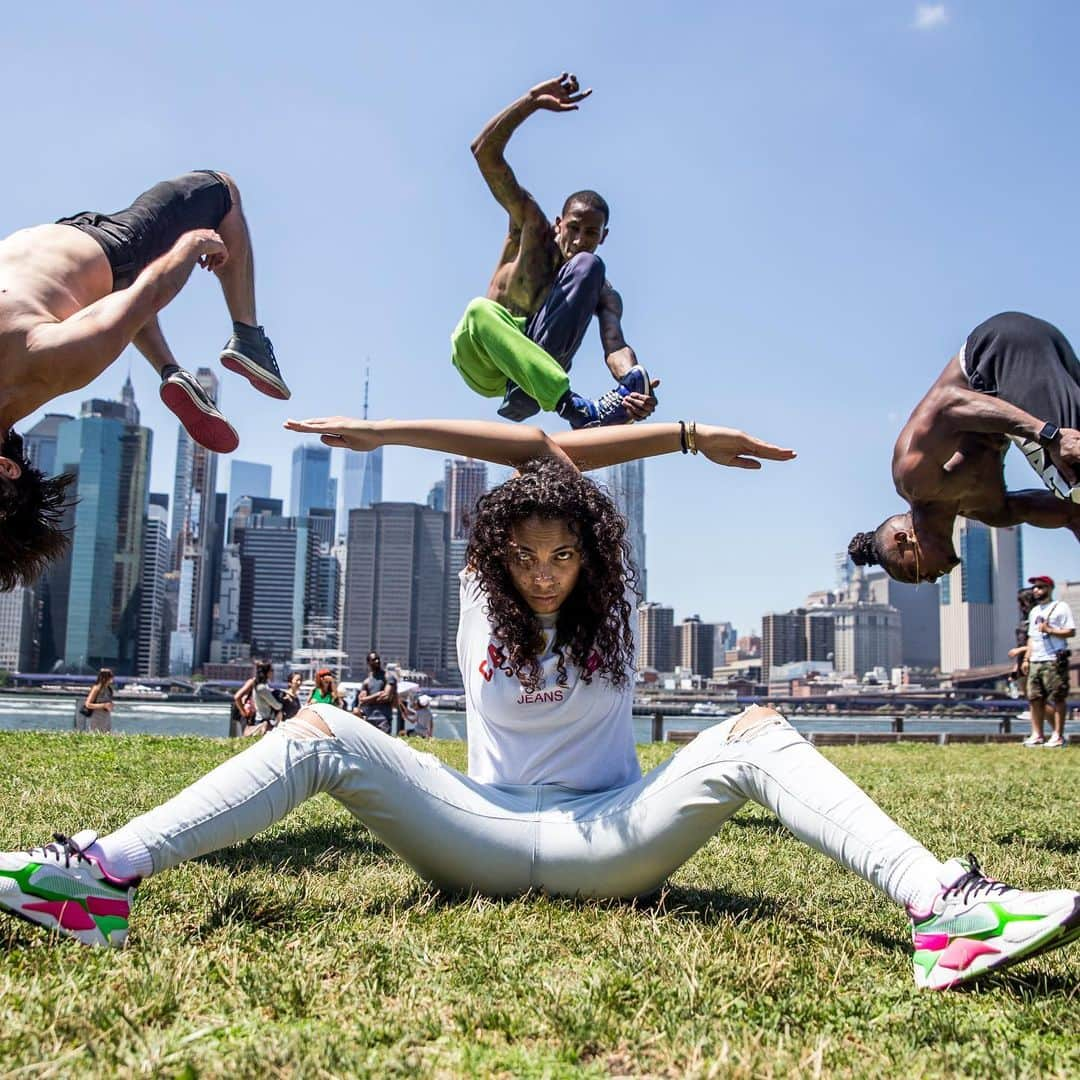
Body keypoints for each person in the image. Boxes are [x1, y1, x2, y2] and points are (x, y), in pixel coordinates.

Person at [1, 416, 1076, 994]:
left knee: (752, 733)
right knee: (324, 730)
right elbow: (521, 451)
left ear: (595, 553)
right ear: (494, 558)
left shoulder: (619, 591)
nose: (546, 574)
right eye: (527, 558)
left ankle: (947, 910)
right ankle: (98, 878)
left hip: (617, 837)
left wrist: (689, 436)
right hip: (476, 831)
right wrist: (389, 442)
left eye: (564, 554)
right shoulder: (481, 590)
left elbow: (562, 462)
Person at [0, 171, 291, 593]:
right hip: (111, 248)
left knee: (114, 304)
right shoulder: (48, 364)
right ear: (6, 468)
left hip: (79, 269)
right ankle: (247, 335)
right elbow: (146, 294)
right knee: (221, 190)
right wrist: (191, 247)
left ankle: (171, 371)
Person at [451, 73, 659, 430]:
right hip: (484, 360)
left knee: (590, 269)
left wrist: (633, 384)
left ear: (603, 236)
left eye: (590, 234)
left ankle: (536, 389)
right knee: (478, 311)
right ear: (559, 223)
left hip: (533, 375)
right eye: (573, 229)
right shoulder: (530, 225)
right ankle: (572, 408)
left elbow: (615, 345)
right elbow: (483, 153)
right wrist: (530, 101)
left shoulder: (601, 290)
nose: (579, 241)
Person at [847, 312, 1080, 583]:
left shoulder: (913, 478)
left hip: (993, 354)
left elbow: (947, 405)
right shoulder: (990, 509)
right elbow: (1070, 514)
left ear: (903, 539)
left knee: (1072, 476)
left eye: (915, 572)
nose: (932, 580)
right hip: (1025, 358)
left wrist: (1049, 436)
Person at [1019, 575, 1075, 748]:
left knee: (1057, 697)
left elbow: (1070, 632)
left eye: (1041, 587)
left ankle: (1058, 735)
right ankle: (1037, 735)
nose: (1036, 590)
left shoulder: (1060, 607)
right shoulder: (1034, 611)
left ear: (1050, 588)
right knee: (1034, 698)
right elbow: (1031, 638)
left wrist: (1049, 630)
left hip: (1053, 659)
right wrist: (1027, 658)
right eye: (1035, 587)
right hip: (1036, 659)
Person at [354, 653, 397, 735]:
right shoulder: (367, 681)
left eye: (378, 659)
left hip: (384, 719)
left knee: (384, 744)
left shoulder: (388, 677)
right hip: (369, 719)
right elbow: (361, 701)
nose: (377, 661)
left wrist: (368, 699)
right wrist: (377, 694)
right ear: (368, 663)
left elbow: (386, 697)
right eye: (374, 660)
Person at [244, 661, 283, 738]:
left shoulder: (258, 685)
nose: (273, 672)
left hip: (260, 720)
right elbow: (277, 706)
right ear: (267, 672)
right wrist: (282, 703)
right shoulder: (262, 688)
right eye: (272, 670)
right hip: (264, 723)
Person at [77, 669, 115, 734]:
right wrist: (103, 705)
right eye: (110, 677)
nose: (112, 679)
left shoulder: (109, 689)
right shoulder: (96, 688)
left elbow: (108, 702)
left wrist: (110, 705)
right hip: (95, 718)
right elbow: (88, 704)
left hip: (106, 718)